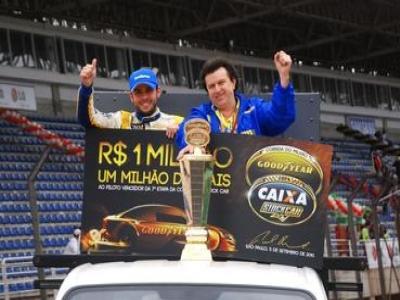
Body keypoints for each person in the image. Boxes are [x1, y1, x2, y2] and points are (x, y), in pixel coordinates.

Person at [176, 50, 296, 157]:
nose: (217, 89)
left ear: (233, 83)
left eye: (221, 83)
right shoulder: (202, 113)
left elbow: (280, 117)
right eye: (212, 86)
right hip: (217, 179)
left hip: (251, 179)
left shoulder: (254, 110)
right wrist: (193, 142)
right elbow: (189, 126)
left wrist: (284, 77)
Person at [77, 59, 183, 138]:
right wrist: (86, 87)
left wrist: (183, 134)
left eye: (149, 90)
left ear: (158, 92)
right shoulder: (120, 121)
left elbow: (197, 143)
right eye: (138, 92)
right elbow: (87, 120)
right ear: (131, 97)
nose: (144, 97)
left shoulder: (177, 122)